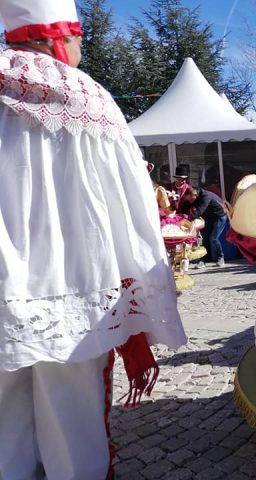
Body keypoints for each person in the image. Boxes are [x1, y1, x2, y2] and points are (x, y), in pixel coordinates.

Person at [0, 1, 187, 479]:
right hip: (75, 296)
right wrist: (138, 280)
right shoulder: (85, 97)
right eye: (78, 36)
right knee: (74, 426)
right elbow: (126, 203)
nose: (82, 47)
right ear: (54, 37)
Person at [181, 187, 228, 266]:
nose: (189, 201)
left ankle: (221, 257)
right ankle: (204, 260)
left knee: (213, 238)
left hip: (219, 215)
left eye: (190, 199)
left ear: (194, 195)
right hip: (208, 216)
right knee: (204, 238)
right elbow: (185, 207)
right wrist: (177, 216)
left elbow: (200, 211)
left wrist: (187, 220)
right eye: (188, 200)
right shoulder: (193, 197)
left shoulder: (206, 196)